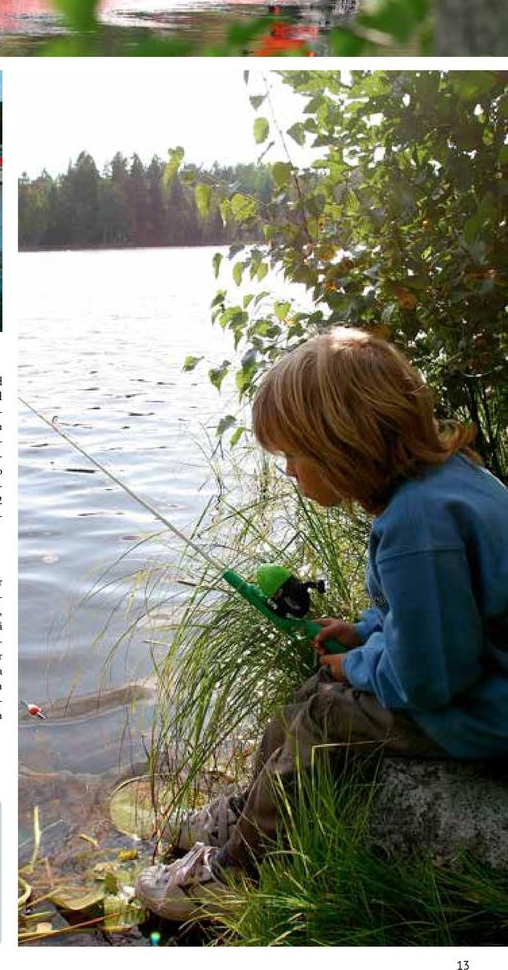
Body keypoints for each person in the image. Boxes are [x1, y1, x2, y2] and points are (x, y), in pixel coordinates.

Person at [136, 327, 508, 922]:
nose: (287, 471)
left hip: (489, 709)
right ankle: (240, 813)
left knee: (323, 715)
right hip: (489, 679)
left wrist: (355, 663)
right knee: (311, 695)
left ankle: (233, 877)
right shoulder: (444, 484)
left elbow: (431, 679)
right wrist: (366, 630)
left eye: (292, 454)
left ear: (341, 447)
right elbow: (447, 615)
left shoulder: (417, 527)